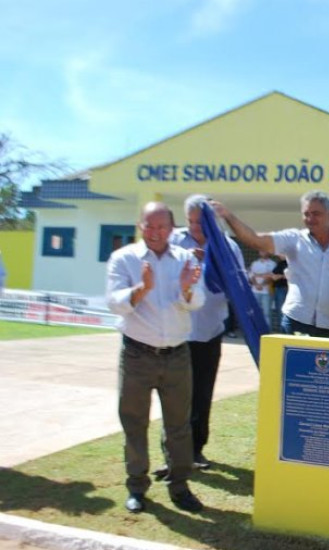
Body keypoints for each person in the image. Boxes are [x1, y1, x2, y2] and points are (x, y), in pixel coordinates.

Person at [105, 202, 205, 513]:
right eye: (149, 225)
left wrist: (186, 289)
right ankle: (137, 487)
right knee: (134, 423)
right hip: (137, 354)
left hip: (176, 355)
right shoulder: (123, 258)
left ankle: (180, 485)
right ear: (139, 226)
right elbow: (114, 302)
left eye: (162, 226)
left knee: (179, 425)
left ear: (172, 229)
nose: (155, 232)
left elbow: (197, 301)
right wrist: (142, 288)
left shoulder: (185, 259)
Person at [166, 193, 244, 472]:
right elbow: (161, 279)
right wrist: (188, 259)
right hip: (176, 333)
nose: (196, 228)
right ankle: (172, 453)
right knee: (174, 396)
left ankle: (196, 450)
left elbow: (236, 286)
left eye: (201, 222)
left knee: (202, 394)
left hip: (210, 330)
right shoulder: (173, 241)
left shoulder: (227, 247)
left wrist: (212, 264)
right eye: (191, 222)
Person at [213, 191, 329, 338]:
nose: (310, 219)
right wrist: (227, 216)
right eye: (306, 214)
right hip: (296, 322)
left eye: (316, 213)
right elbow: (255, 240)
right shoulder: (293, 239)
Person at [248, 250, 275, 329]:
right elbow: (251, 274)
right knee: (255, 311)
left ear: (269, 252)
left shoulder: (273, 264)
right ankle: (255, 329)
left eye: (264, 251)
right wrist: (256, 284)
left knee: (267, 312)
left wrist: (262, 283)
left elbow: (271, 277)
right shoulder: (255, 263)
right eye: (260, 251)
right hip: (255, 290)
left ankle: (266, 330)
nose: (262, 252)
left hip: (266, 291)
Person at [271, 257, 288, 322]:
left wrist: (280, 276)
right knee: (279, 308)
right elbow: (273, 276)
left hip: (284, 289)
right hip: (278, 288)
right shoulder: (280, 263)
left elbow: (291, 275)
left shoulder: (290, 263)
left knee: (283, 310)